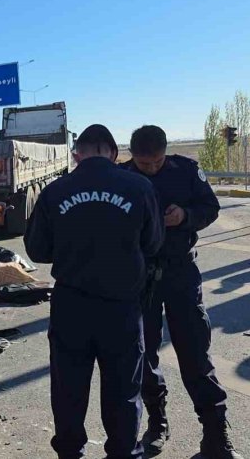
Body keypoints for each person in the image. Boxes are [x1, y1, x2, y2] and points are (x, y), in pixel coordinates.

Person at [25, 125, 163, 459]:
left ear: (77, 154)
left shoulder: (55, 191)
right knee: (123, 393)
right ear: (114, 153)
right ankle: (123, 452)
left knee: (69, 390)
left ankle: (71, 453)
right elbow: (154, 242)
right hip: (122, 308)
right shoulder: (139, 187)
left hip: (71, 306)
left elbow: (37, 250)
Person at [121, 125, 243, 459]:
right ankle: (157, 424)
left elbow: (210, 207)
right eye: (144, 164)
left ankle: (215, 436)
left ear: (165, 152)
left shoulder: (186, 170)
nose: (151, 168)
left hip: (180, 272)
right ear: (132, 156)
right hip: (139, 277)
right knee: (142, 356)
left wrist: (185, 216)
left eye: (157, 162)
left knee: (194, 352)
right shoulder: (121, 177)